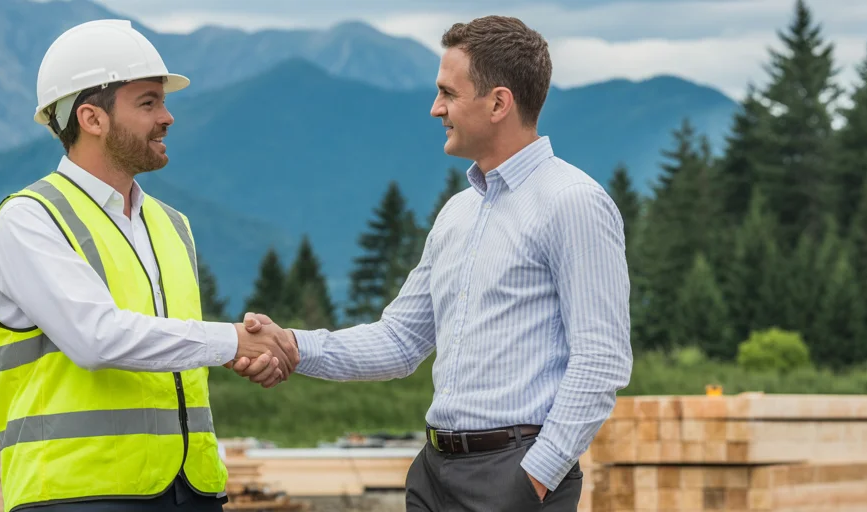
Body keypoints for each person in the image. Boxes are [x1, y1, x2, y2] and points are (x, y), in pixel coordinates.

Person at [237, 15, 631, 511]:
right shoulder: (457, 213)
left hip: (514, 477)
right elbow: (400, 341)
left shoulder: (573, 202)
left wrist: (536, 477)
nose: (434, 108)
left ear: (498, 103)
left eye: (448, 93)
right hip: (433, 473)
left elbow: (601, 361)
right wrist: (293, 345)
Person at [0, 19, 299, 512]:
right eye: (148, 103)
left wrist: (240, 354)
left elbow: (168, 345)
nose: (167, 117)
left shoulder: (172, 225)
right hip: (78, 493)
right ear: (92, 118)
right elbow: (96, 338)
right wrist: (229, 340)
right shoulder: (30, 220)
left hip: (191, 489)